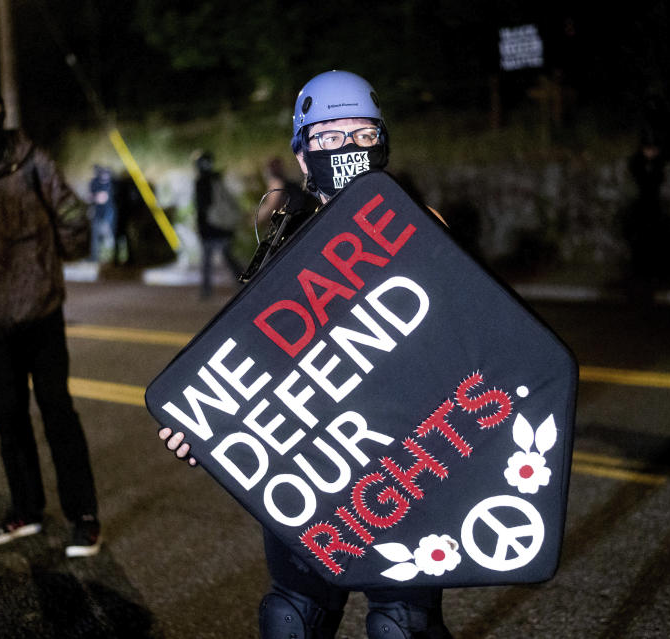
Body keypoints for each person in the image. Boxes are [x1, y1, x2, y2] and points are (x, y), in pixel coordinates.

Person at [159, 70, 452, 639]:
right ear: (302, 154)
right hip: (310, 473)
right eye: (328, 135)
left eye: (361, 133)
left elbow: (483, 335)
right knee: (291, 618)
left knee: (402, 627)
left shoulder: (424, 227)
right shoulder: (282, 249)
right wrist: (200, 424)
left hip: (403, 467)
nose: (346, 146)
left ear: (383, 142)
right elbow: (246, 361)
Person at [0, 77, 102, 557]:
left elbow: (73, 217)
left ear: (3, 114)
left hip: (41, 313)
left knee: (58, 415)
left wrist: (50, 264)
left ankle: (84, 517)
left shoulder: (34, 162)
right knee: (7, 417)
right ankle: (26, 511)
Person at [194, 150, 244, 298]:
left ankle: (206, 290)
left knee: (208, 258)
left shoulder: (201, 182)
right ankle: (243, 281)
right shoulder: (218, 179)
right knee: (227, 255)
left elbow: (202, 206)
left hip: (209, 225)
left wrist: (200, 225)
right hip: (222, 225)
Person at [88, 164, 118, 263]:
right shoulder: (94, 183)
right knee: (95, 237)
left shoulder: (111, 184)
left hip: (109, 214)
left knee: (110, 237)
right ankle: (94, 257)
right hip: (97, 213)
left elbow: (104, 198)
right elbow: (92, 197)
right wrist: (97, 197)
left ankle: (112, 257)